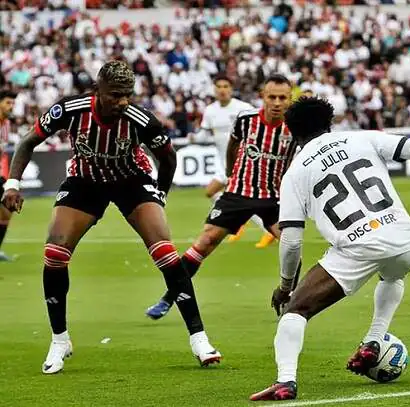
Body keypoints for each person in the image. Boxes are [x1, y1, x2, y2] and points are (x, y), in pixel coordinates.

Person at [250, 97, 410, 401]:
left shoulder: (294, 173)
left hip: (356, 246)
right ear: (329, 123)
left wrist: (286, 286)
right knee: (393, 276)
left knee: (297, 311)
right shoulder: (362, 138)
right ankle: (373, 341)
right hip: (406, 238)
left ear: (292, 133)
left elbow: (291, 240)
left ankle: (286, 381)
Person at [0, 60, 221, 374]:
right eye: (115, 95)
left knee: (165, 252)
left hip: (132, 180)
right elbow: (27, 142)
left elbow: (168, 158)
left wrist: (160, 193)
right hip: (85, 182)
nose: (123, 102)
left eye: (127, 94)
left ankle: (199, 338)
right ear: (97, 91)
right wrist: (12, 184)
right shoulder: (70, 109)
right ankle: (60, 339)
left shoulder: (141, 119)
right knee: (54, 254)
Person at [145, 74, 300, 320]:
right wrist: (230, 172)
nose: (277, 102)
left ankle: (288, 297)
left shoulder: (296, 127)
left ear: (290, 99)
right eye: (272, 97)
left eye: (283, 98)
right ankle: (168, 297)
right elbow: (232, 145)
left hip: (273, 197)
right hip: (237, 193)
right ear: (263, 97)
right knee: (205, 242)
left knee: (292, 244)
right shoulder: (246, 119)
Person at [199, 75, 276, 249]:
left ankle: (248, 224)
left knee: (212, 191)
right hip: (224, 162)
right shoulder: (210, 111)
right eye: (219, 86)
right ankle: (245, 223)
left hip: (242, 162)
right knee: (228, 196)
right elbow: (203, 133)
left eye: (226, 86)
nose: (222, 89)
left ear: (231, 89)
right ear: (214, 89)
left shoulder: (243, 108)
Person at [0, 90, 16, 261]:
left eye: (12, 103)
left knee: (7, 211)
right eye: (8, 103)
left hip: (1, 174)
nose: (11, 106)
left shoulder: (6, 124)